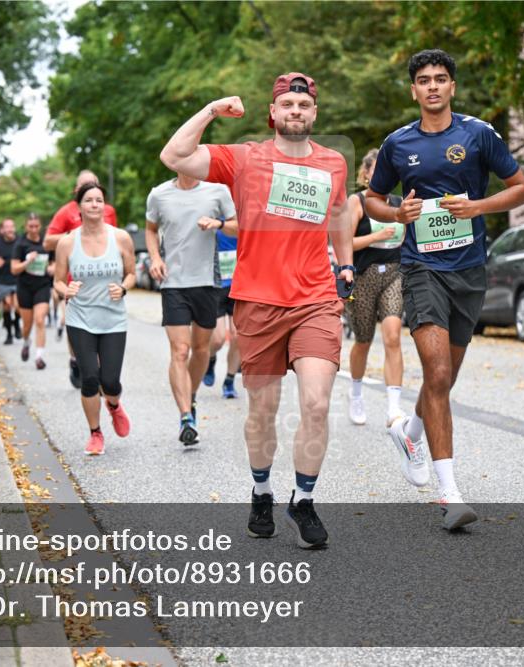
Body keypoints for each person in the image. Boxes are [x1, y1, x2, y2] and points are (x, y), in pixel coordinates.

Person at [160, 72, 353, 549]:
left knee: (316, 403)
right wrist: (211, 110)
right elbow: (174, 156)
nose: (295, 111)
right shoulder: (245, 158)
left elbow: (338, 215)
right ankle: (262, 492)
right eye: (287, 104)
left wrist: (346, 264)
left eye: (303, 105)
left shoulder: (333, 162)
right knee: (263, 411)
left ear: (314, 113)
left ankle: (303, 501)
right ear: (273, 112)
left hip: (314, 300)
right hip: (258, 303)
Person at [365, 49, 524, 530]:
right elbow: (373, 199)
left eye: (440, 78)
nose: (433, 86)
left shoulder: (478, 134)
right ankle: (450, 494)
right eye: (424, 80)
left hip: (469, 270)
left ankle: (411, 433)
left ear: (452, 87)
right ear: (413, 90)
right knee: (436, 372)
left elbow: (521, 188)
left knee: (445, 378)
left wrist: (478, 207)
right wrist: (397, 213)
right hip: (422, 269)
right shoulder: (398, 143)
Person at [145, 173, 237, 444]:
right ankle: (186, 416)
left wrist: (219, 223)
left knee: (201, 349)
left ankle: (191, 396)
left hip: (207, 281)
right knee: (180, 350)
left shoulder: (218, 191)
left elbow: (239, 227)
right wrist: (155, 258)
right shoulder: (159, 194)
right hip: (173, 282)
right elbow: (150, 229)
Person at [54, 182, 135, 456]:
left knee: (110, 382)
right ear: (79, 206)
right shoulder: (67, 243)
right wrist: (66, 290)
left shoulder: (121, 238)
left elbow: (132, 274)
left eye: (99, 200)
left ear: (104, 206)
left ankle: (114, 405)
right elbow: (57, 281)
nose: (94, 204)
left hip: (113, 319)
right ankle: (95, 433)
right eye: (89, 200)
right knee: (89, 378)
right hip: (80, 318)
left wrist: (123, 287)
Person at [345, 148, 406, 429]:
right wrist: (376, 236)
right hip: (363, 277)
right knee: (363, 340)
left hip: (393, 274)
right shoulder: (357, 202)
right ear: (367, 174)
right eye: (377, 169)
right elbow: (344, 242)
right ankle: (356, 393)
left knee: (393, 336)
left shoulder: (399, 203)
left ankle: (393, 407)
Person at [46, 170, 119, 390]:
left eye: (94, 184)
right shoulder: (66, 212)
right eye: (85, 186)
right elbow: (47, 241)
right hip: (75, 283)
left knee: (104, 331)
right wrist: (76, 234)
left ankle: (100, 375)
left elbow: (115, 239)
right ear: (76, 191)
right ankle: (75, 359)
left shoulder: (108, 211)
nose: (93, 200)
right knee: (77, 328)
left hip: (104, 282)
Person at [202, 219, 241, 400]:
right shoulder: (213, 218)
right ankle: (210, 360)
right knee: (217, 339)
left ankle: (229, 380)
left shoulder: (244, 218)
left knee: (238, 336)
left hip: (239, 285)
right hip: (216, 285)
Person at [12, 214, 54, 370]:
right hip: (25, 288)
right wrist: (27, 261)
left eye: (36, 226)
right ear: (26, 227)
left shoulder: (46, 243)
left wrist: (52, 268)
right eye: (31, 226)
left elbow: (55, 263)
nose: (34, 229)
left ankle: (39, 357)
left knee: (40, 320)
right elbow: (14, 269)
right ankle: (26, 342)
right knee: (27, 326)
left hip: (42, 286)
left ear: (40, 226)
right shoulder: (20, 244)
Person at [0, 219, 21, 345]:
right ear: (2, 229)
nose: (10, 229)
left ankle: (16, 323)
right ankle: (9, 334)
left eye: (11, 226)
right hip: (2, 279)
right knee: (7, 306)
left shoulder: (20, 241)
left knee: (18, 306)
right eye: (7, 227)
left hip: (18, 279)